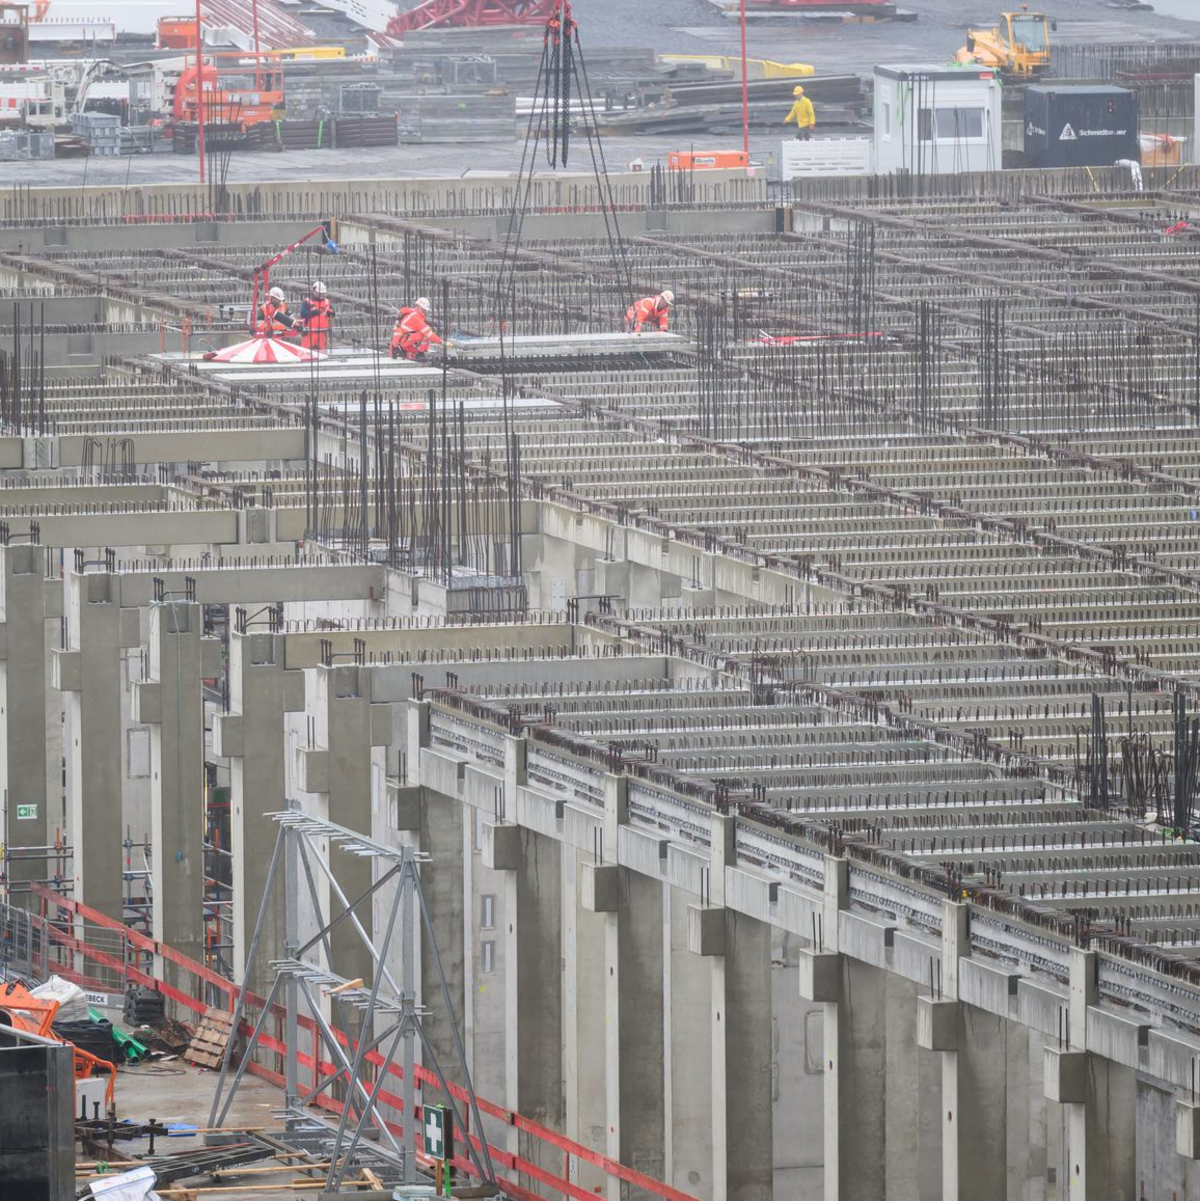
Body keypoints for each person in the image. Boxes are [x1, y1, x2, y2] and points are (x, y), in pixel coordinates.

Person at [391, 297, 441, 361]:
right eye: (423, 309)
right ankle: (420, 354)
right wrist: (440, 341)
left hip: (400, 342)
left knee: (425, 331)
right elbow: (428, 333)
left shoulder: (411, 312)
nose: (424, 311)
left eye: (425, 310)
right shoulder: (416, 317)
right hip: (404, 342)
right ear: (418, 306)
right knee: (425, 333)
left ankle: (417, 352)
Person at [299, 281, 334, 352]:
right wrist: (316, 312)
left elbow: (332, 314)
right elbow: (303, 314)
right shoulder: (307, 302)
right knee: (306, 352)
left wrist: (330, 313)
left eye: (323, 293)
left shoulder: (327, 302)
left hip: (322, 332)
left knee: (322, 353)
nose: (321, 295)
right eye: (319, 293)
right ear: (314, 291)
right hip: (309, 332)